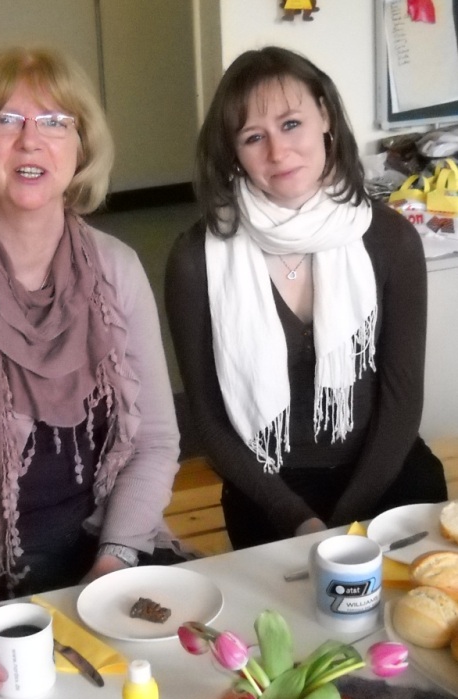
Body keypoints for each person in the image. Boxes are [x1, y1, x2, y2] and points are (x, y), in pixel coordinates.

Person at [0, 46, 184, 690]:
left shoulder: (117, 269)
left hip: (111, 553)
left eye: (55, 121)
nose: (31, 139)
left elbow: (157, 442)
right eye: (4, 119)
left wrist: (112, 567)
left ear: (81, 145)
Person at [165, 46, 447, 551]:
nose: (278, 152)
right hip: (269, 492)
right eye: (253, 137)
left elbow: (402, 401)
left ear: (325, 118)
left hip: (385, 476)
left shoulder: (391, 240)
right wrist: (297, 519)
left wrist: (344, 523)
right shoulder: (194, 259)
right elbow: (208, 419)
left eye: (291, 124)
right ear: (233, 152)